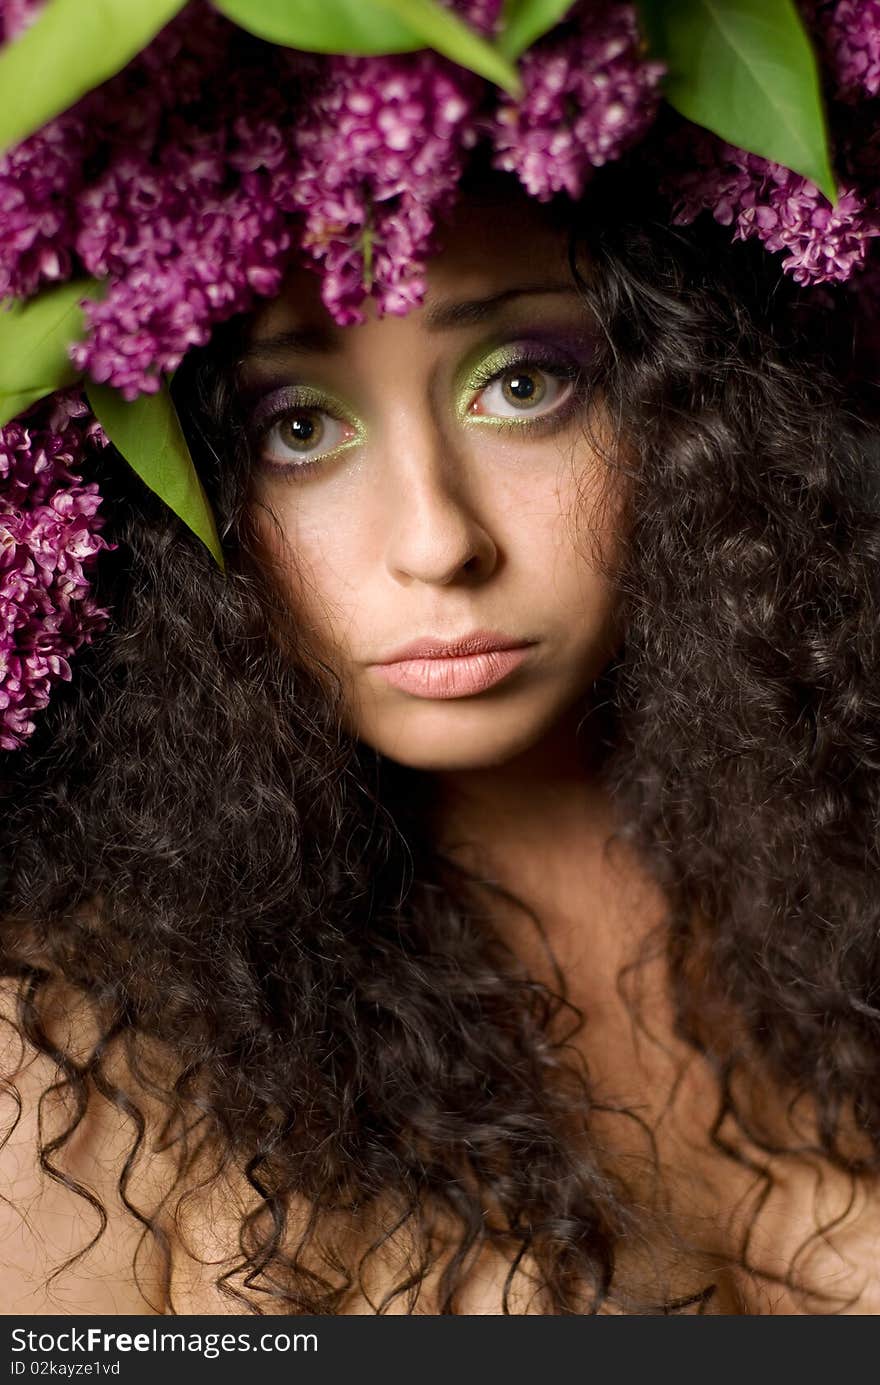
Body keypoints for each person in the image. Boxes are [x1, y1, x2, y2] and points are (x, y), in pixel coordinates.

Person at [2, 0, 880, 1318]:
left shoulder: (842, 873)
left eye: (523, 383)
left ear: (690, 394)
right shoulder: (61, 1058)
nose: (436, 542)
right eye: (297, 426)